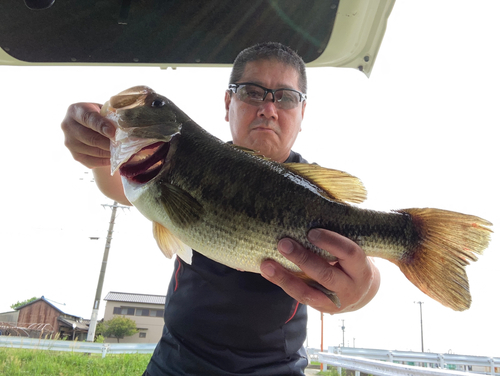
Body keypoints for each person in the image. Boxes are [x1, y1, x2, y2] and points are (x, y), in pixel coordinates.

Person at [62, 42, 380, 375]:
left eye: (285, 97)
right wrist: (99, 149)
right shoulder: (190, 157)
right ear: (228, 103)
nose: (268, 109)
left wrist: (364, 289)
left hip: (274, 368)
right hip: (176, 361)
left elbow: (359, 257)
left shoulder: (316, 193)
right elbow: (121, 187)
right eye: (252, 92)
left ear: (303, 114)